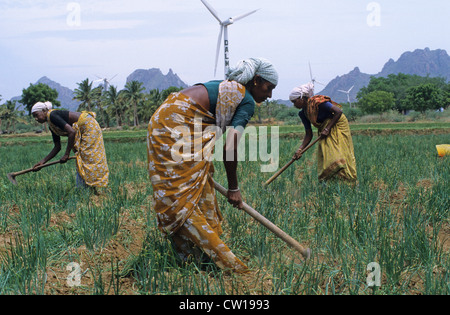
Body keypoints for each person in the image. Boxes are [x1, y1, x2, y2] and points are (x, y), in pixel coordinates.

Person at [147, 57, 278, 273]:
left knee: (189, 189)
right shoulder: (245, 99)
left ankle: (194, 258)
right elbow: (230, 146)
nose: (270, 94)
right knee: (179, 197)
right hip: (175, 124)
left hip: (163, 117)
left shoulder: (226, 87)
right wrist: (234, 188)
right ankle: (222, 261)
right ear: (256, 80)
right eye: (268, 87)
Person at [31, 101, 109, 191]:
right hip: (83, 129)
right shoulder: (51, 125)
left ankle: (88, 188)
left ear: (44, 111)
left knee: (86, 156)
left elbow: (71, 132)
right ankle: (86, 188)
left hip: (89, 126)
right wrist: (42, 162)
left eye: (36, 115)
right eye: (34, 117)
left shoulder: (52, 115)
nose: (36, 119)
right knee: (82, 157)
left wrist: (66, 154)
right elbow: (57, 147)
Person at [289, 83, 357, 182]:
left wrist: (328, 128)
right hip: (324, 129)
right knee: (326, 156)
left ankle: (347, 180)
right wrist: (300, 149)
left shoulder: (318, 102)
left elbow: (338, 112)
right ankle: (333, 182)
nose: (294, 105)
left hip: (337, 124)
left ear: (302, 98)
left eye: (295, 102)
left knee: (338, 154)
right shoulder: (303, 113)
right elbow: (309, 134)